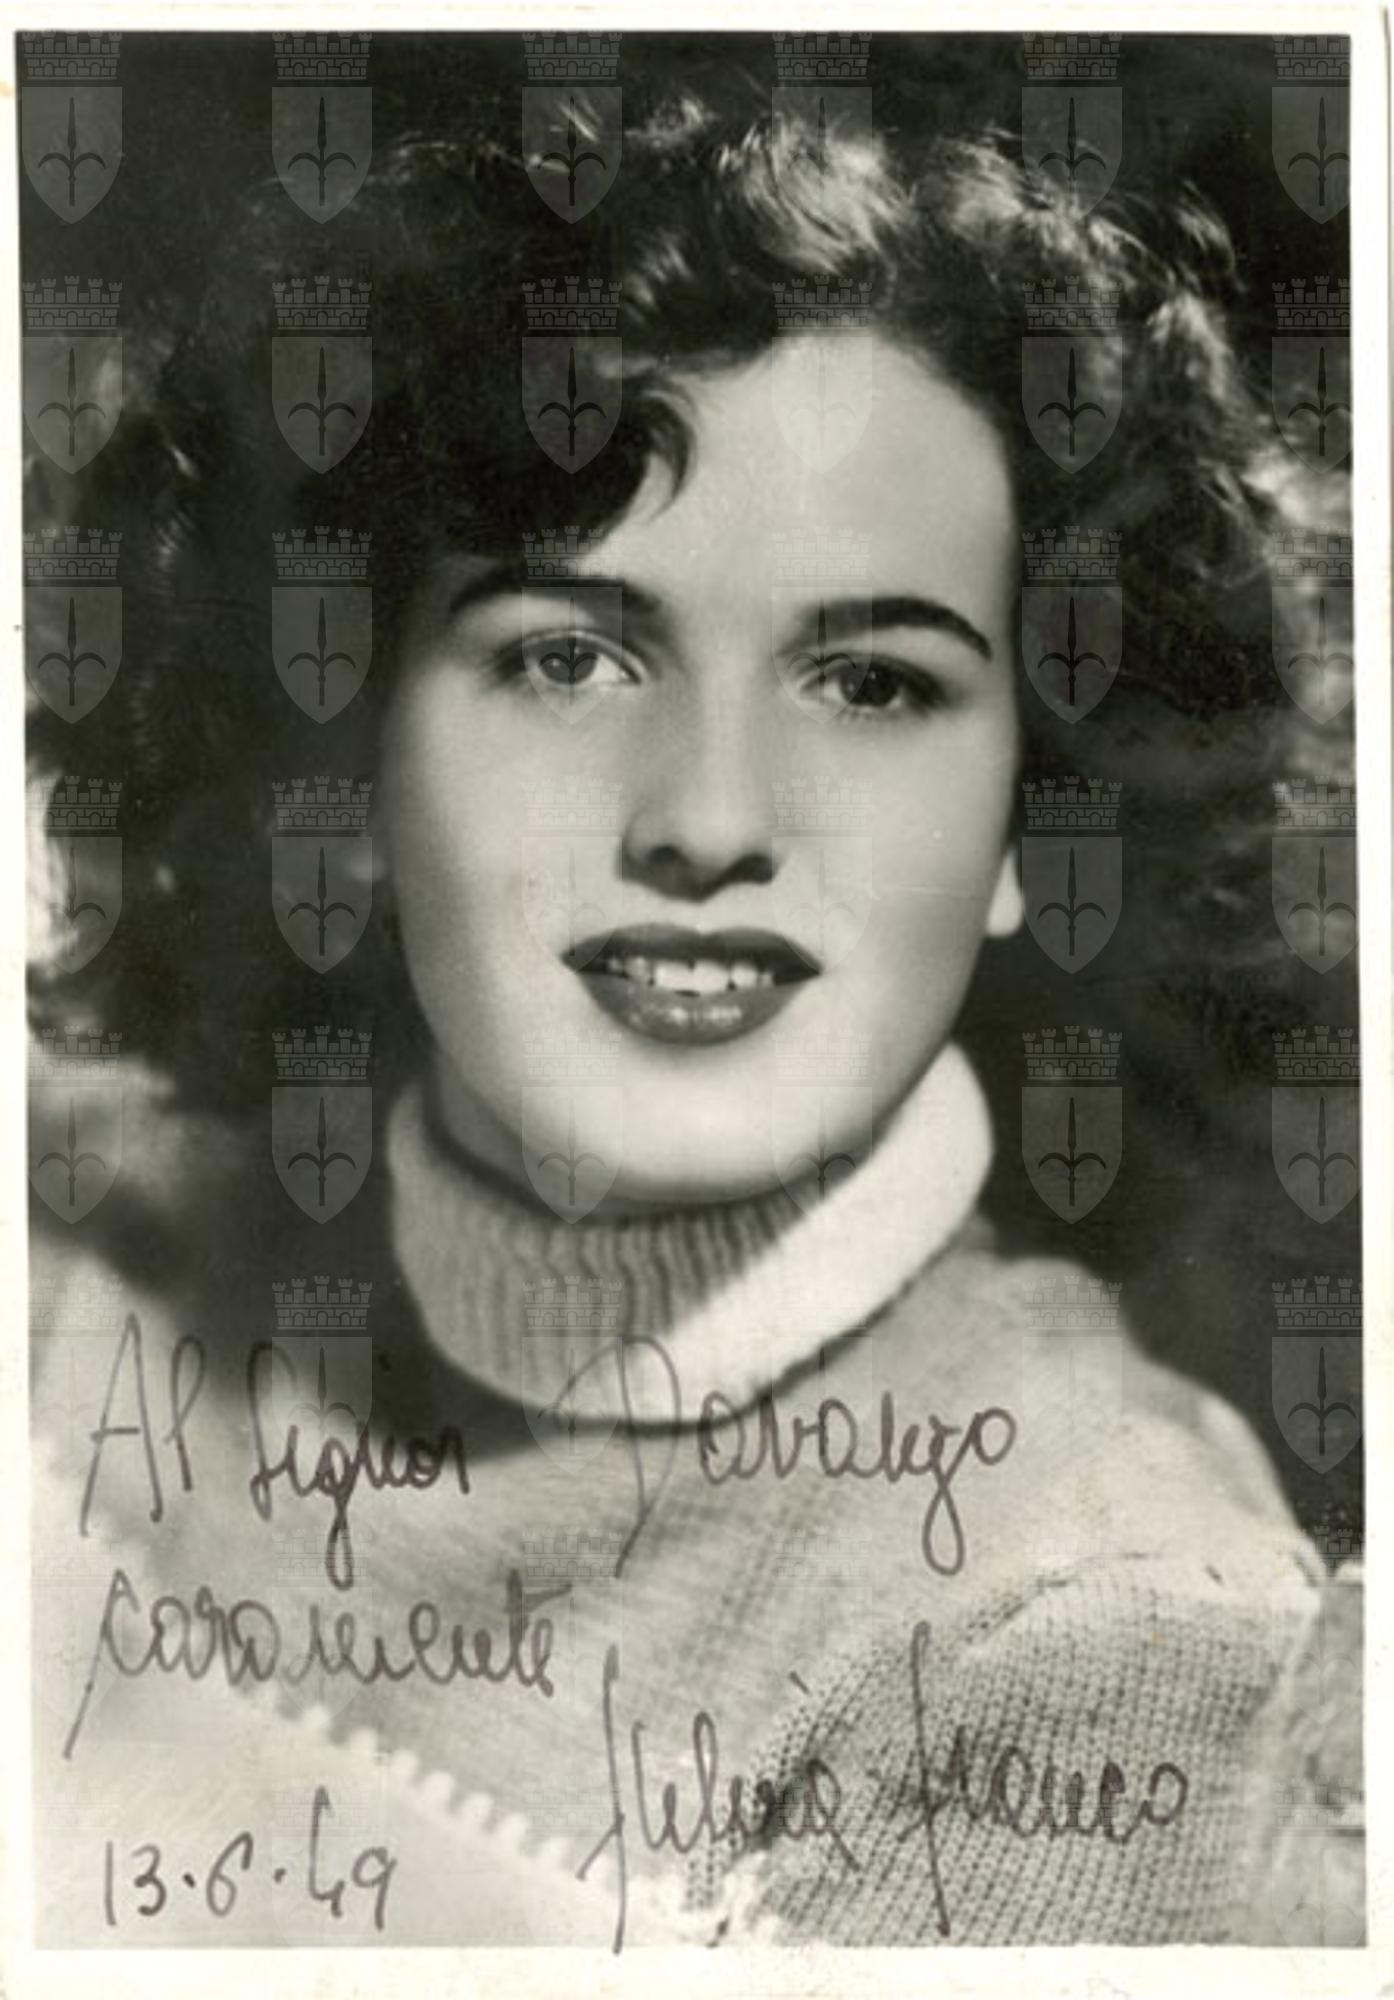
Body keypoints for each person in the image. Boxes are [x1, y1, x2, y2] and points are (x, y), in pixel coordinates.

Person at [28, 57, 1360, 1948]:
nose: (710, 820)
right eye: (571, 656)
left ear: (1035, 819)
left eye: (874, 684)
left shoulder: (1096, 1629)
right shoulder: (72, 1262)